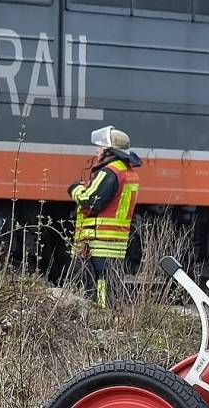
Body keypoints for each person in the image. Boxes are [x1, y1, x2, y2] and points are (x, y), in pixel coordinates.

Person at [68, 126, 142, 308]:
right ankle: (107, 318)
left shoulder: (109, 172)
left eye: (100, 147)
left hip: (98, 241)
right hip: (115, 241)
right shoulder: (127, 172)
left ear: (109, 151)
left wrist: (75, 189)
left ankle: (99, 320)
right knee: (109, 284)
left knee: (94, 285)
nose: (97, 150)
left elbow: (90, 201)